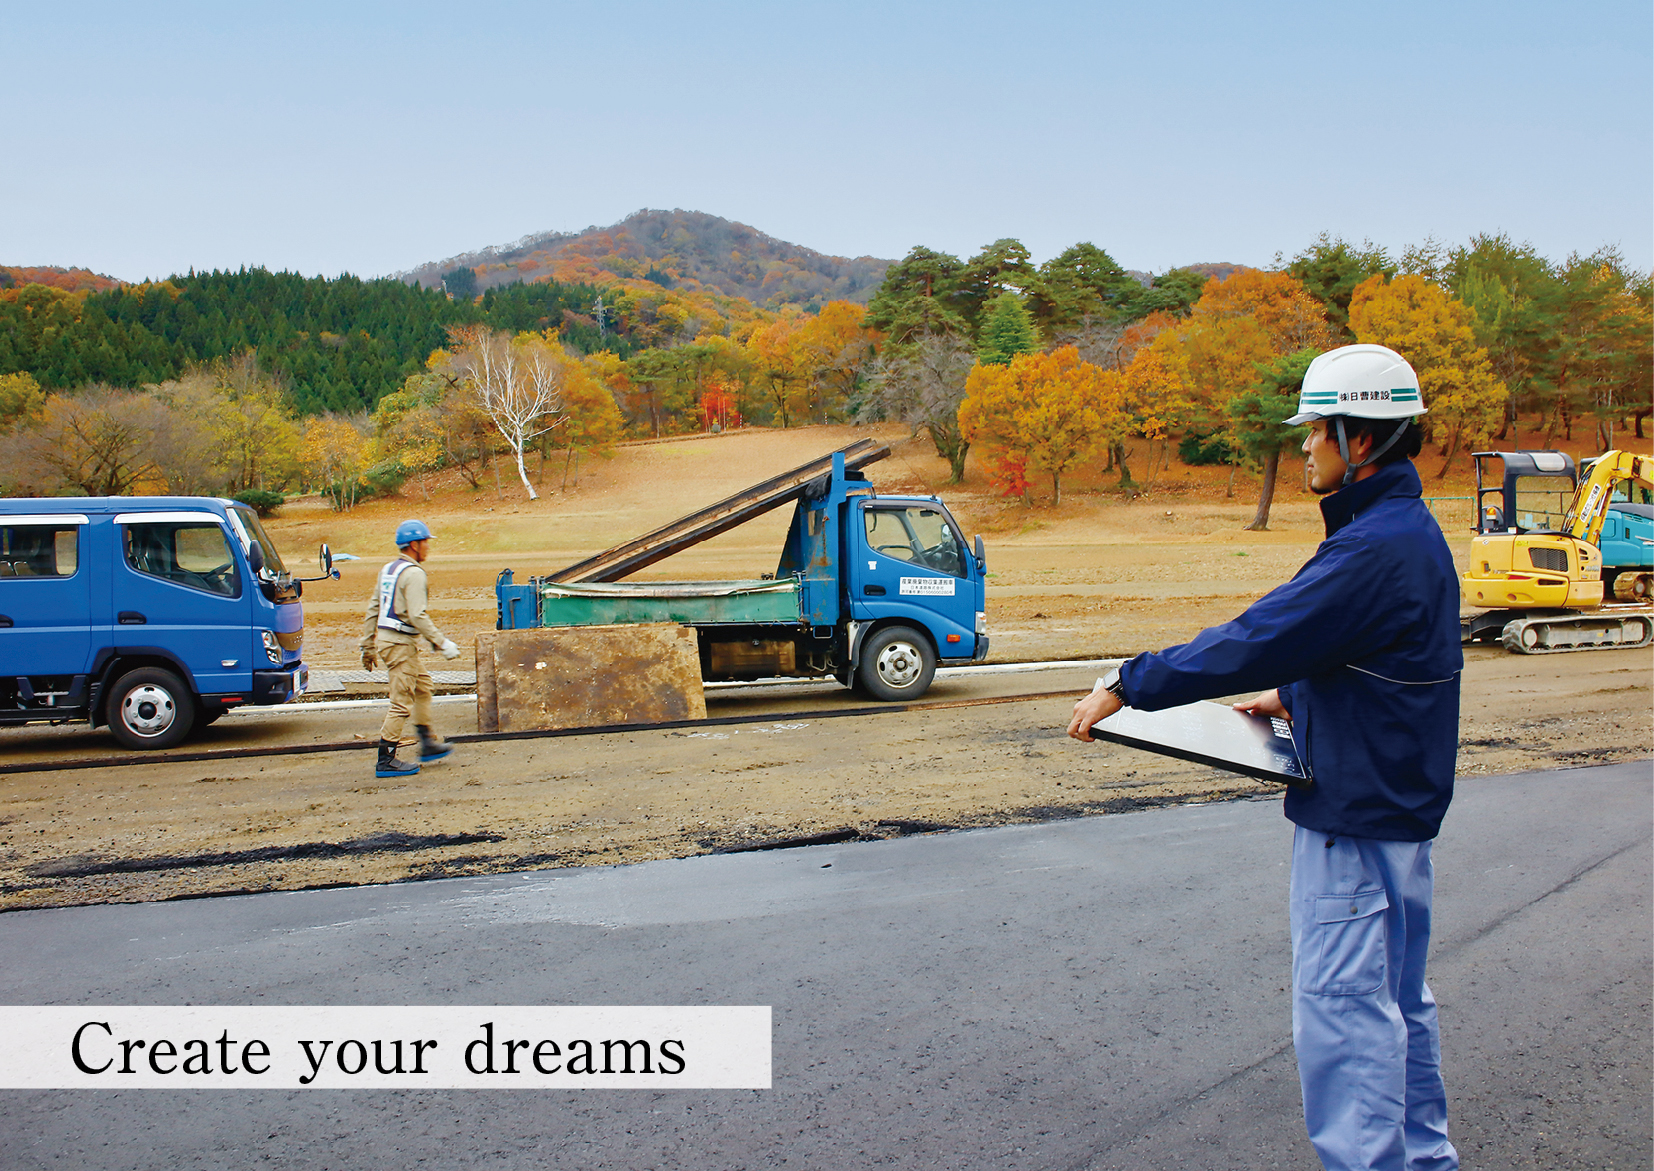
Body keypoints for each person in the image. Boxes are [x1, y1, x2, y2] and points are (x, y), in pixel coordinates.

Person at [1068, 344, 1462, 1171]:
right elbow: (1391, 660)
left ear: (1360, 441)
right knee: (1398, 1003)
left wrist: (1130, 681)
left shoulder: (1371, 549)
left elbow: (1261, 634)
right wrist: (1300, 696)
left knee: (1346, 1012)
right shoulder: (1409, 530)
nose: (1306, 445)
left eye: (1318, 428)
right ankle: (1425, 1162)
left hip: (1354, 818)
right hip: (1398, 813)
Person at [360, 519, 462, 778]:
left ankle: (426, 741)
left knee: (423, 685)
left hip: (390, 640)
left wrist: (368, 645)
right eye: (426, 542)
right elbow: (417, 615)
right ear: (414, 545)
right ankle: (386, 760)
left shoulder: (389, 570)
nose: (428, 547)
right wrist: (441, 642)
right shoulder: (414, 573)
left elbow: (374, 608)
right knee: (401, 702)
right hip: (399, 643)